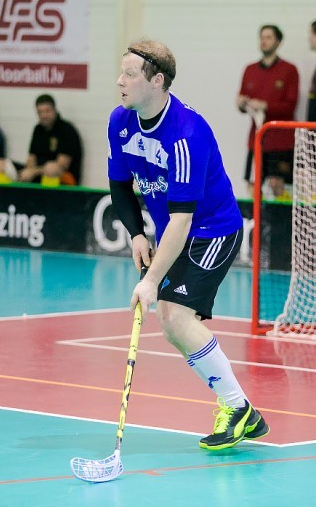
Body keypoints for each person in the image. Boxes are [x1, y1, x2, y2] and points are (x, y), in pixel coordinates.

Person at [107, 39, 269, 450]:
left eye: (129, 74)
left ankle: (238, 408)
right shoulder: (120, 122)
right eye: (121, 72)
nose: (120, 81)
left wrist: (151, 281)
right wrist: (137, 234)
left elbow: (182, 219)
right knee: (173, 321)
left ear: (157, 81)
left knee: (175, 317)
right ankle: (242, 411)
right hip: (175, 232)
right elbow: (120, 185)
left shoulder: (186, 134)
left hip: (212, 231)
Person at [237, 24, 299, 199]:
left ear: (278, 42)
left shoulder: (289, 70)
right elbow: (242, 101)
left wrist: (265, 105)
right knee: (252, 185)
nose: (264, 41)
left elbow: (290, 106)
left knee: (278, 186)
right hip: (256, 139)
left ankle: (280, 218)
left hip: (280, 141)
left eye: (269, 37)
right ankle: (255, 217)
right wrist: (241, 103)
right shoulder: (250, 69)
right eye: (262, 37)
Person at [0, 94, 83, 186]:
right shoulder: (38, 129)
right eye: (40, 112)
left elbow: (62, 164)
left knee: (50, 168)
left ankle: (49, 197)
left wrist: (33, 172)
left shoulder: (67, 130)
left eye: (47, 111)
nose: (44, 115)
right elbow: (31, 158)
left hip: (63, 176)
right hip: (38, 173)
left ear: (54, 110)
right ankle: (3, 196)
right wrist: (28, 171)